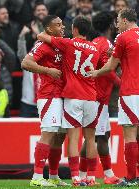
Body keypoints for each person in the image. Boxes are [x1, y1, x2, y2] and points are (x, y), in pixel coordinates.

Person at [90, 9, 139, 186]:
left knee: (130, 135)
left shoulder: (124, 38)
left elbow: (110, 67)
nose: (117, 24)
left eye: (118, 20)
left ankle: (131, 177)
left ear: (125, 20)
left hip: (130, 91)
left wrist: (95, 73)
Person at [37, 15, 100, 186]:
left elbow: (42, 36)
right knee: (91, 138)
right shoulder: (95, 48)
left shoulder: (69, 43)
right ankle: (92, 177)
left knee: (73, 138)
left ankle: (75, 177)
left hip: (73, 96)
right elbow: (105, 66)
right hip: (91, 97)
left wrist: (44, 33)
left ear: (75, 30)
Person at [21, 15, 69, 187]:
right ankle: (37, 176)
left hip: (63, 95)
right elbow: (26, 62)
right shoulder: (43, 45)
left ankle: (54, 176)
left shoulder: (61, 44)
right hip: (49, 95)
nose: (62, 27)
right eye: (58, 25)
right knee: (48, 133)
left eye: (63, 24)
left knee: (60, 136)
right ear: (49, 29)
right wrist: (47, 70)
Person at [78, 11, 121, 185]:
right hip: (96, 98)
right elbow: (107, 70)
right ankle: (86, 176)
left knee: (102, 136)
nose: (116, 25)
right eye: (114, 22)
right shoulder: (105, 44)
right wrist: (122, 83)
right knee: (94, 137)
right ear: (110, 25)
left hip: (96, 97)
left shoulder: (95, 42)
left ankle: (104, 174)